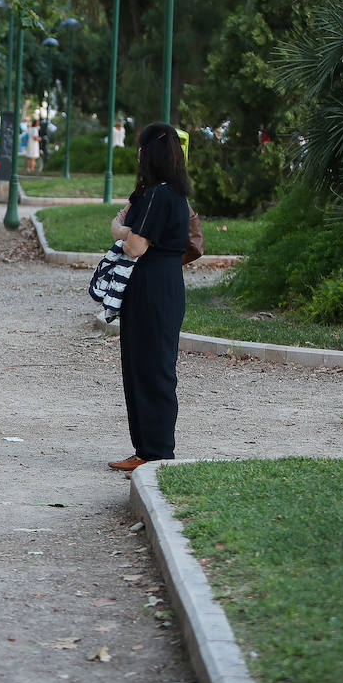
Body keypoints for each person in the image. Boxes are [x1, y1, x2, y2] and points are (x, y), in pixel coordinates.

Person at [106, 122, 193, 473]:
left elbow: (134, 245)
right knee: (140, 366)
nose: (138, 153)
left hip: (154, 287)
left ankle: (156, 449)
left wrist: (119, 230)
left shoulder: (161, 195)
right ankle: (145, 447)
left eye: (142, 148)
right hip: (157, 285)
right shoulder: (158, 193)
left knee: (153, 367)